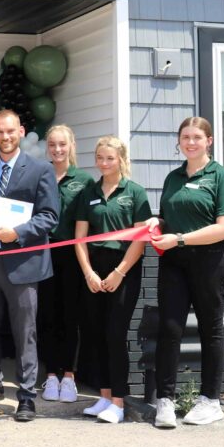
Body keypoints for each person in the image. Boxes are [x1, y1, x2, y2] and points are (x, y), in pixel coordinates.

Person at [0, 109, 59, 423]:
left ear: (20, 131)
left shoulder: (40, 169)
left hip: (24, 264)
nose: (5, 137)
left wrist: (16, 233)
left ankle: (27, 397)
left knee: (24, 333)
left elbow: (49, 217)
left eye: (10, 131)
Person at [148, 117, 224, 429]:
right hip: (174, 262)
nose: (190, 142)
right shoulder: (173, 177)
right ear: (179, 141)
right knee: (169, 328)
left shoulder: (221, 177)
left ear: (209, 141)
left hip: (210, 261)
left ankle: (210, 401)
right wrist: (155, 225)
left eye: (197, 137)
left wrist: (181, 238)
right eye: (185, 137)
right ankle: (165, 401)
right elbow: (168, 217)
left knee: (210, 329)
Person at [73, 136, 151, 424]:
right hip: (94, 270)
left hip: (123, 269)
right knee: (94, 335)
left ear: (121, 159)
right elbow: (79, 238)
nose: (103, 163)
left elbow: (141, 238)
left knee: (115, 335)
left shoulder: (136, 193)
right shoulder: (88, 192)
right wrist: (88, 273)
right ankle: (104, 397)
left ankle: (119, 401)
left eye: (109, 158)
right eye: (99, 158)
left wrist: (120, 272)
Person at [38, 124, 95, 403]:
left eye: (62, 144)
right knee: (47, 315)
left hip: (73, 257)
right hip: (43, 255)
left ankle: (69, 376)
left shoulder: (84, 180)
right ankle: (50, 375)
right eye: (52, 145)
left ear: (72, 146)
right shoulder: (40, 174)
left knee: (71, 317)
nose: (57, 150)